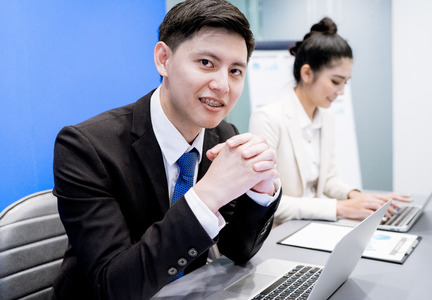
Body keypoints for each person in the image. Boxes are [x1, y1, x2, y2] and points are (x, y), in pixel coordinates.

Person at [51, 1, 281, 299]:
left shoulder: (223, 136)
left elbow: (238, 251)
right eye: (206, 63)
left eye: (236, 70)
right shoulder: (86, 147)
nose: (223, 85)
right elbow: (113, 286)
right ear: (163, 60)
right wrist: (206, 196)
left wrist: (259, 194)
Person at [249, 17, 408, 226]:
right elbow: (267, 203)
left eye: (345, 83)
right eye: (335, 81)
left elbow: (328, 181)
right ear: (307, 73)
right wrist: (339, 208)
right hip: (278, 233)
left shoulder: (326, 118)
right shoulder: (268, 119)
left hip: (314, 226)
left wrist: (358, 197)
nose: (341, 91)